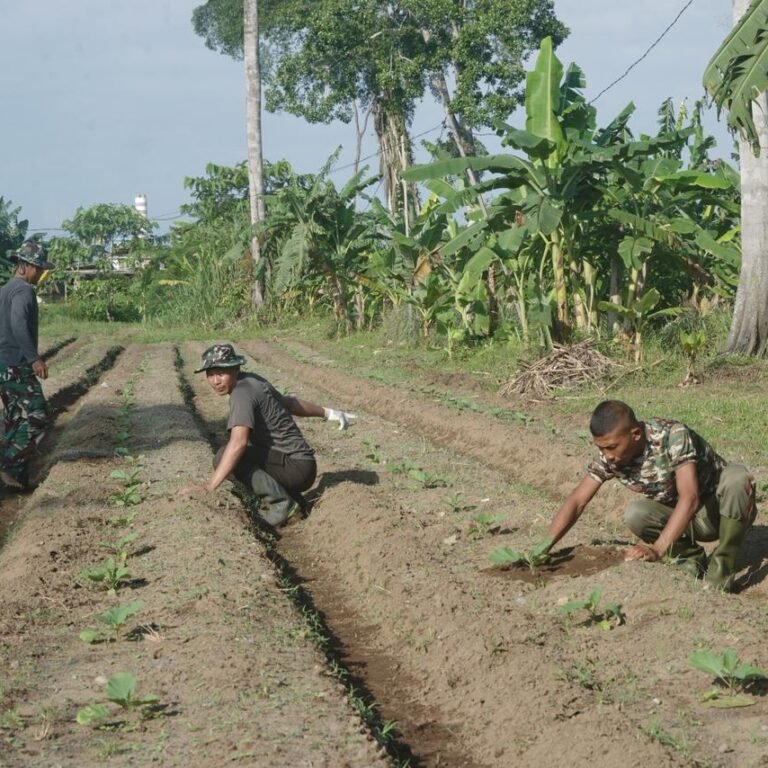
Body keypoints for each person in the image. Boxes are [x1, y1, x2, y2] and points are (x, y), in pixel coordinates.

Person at [545, 400, 756, 592]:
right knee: (636, 514)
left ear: (635, 434)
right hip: (683, 520)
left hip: (720, 511)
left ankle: (721, 572)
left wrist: (658, 549)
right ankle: (691, 561)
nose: (607, 455)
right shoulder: (612, 458)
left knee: (737, 478)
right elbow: (577, 501)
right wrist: (543, 547)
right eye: (601, 448)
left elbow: (690, 498)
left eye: (611, 447)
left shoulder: (672, 436)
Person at [178, 342, 356, 526]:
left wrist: (209, 486)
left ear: (236, 369)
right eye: (211, 374)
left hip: (295, 468)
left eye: (221, 373)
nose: (216, 381)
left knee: (225, 455)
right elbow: (287, 403)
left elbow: (238, 443)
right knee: (242, 451)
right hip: (302, 465)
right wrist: (328, 412)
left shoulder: (241, 394)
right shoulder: (253, 380)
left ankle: (282, 505)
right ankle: (292, 499)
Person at [0, 240, 56, 490]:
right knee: (36, 416)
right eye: (38, 269)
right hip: (17, 365)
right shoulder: (23, 290)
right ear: (24, 266)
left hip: (4, 365)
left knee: (15, 417)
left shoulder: (5, 289)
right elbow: (18, 323)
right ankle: (10, 468)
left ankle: (14, 475)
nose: (40, 274)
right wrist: (34, 358)